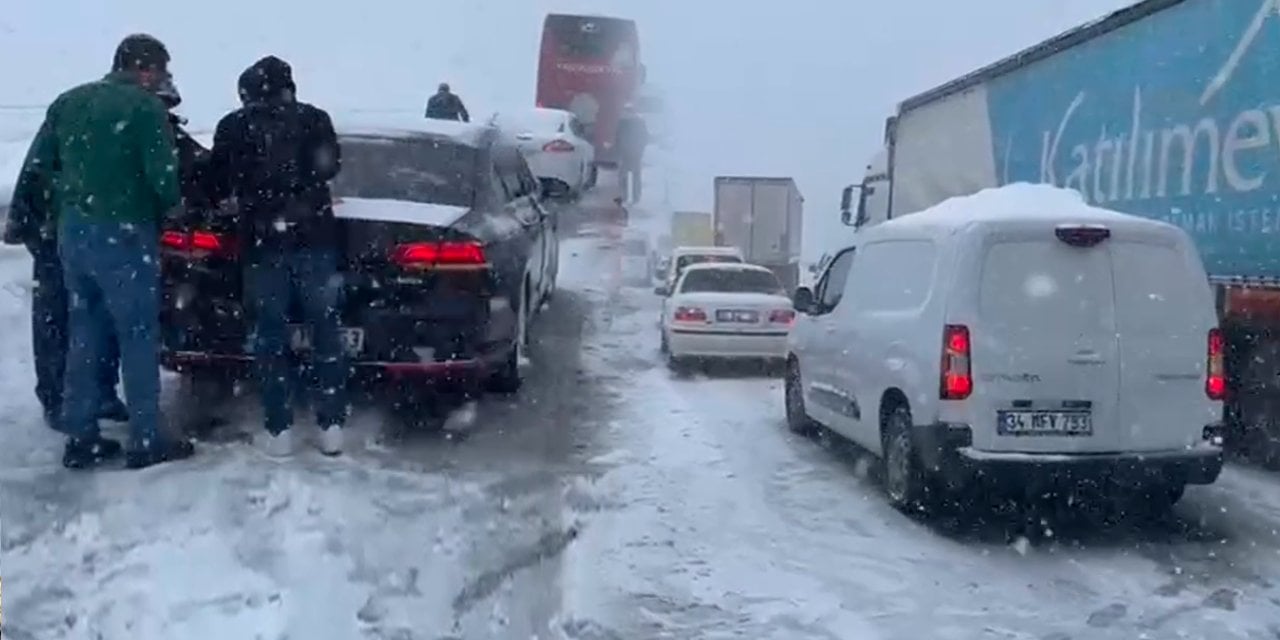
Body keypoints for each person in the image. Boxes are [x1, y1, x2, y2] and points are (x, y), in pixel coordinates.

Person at [27, 33, 195, 469]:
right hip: (124, 234)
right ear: (144, 68)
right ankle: (146, 437)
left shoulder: (69, 101)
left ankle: (80, 435)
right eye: (158, 70)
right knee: (137, 334)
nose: (160, 79)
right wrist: (172, 209)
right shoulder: (145, 108)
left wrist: (72, 200)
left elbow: (43, 165)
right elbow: (164, 178)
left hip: (73, 235)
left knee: (85, 331)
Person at [206, 55, 348, 457]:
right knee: (326, 331)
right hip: (315, 240)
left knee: (269, 335)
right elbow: (329, 167)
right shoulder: (315, 119)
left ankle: (278, 427)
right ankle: (331, 423)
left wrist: (234, 198)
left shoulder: (234, 125)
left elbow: (216, 179)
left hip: (262, 242)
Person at [4, 129, 129, 429]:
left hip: (73, 229)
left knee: (92, 318)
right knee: (60, 316)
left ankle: (93, 394)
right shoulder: (80, 122)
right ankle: (60, 397)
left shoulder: (84, 118)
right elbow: (36, 173)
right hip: (60, 230)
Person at [614, 105, 649, 204]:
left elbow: (617, 137)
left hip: (626, 152)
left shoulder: (622, 122)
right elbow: (645, 137)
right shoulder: (639, 122)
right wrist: (640, 149)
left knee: (623, 175)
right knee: (635, 176)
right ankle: (635, 197)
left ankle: (624, 196)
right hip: (635, 152)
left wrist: (618, 150)